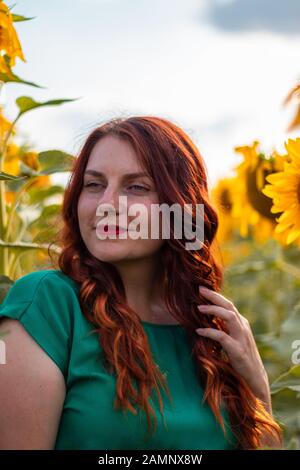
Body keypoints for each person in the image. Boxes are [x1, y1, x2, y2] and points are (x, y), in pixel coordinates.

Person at [0, 116, 282, 450]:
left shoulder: (210, 331)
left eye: (136, 187)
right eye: (94, 185)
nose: (107, 205)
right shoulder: (47, 306)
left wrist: (259, 388)